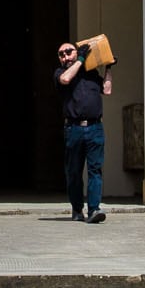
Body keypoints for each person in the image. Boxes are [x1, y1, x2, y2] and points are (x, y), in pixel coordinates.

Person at [54, 39, 111, 224]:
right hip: (74, 129)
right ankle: (77, 209)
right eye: (61, 54)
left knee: (95, 170)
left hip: (95, 128)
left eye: (68, 52)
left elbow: (107, 90)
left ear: (75, 52)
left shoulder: (91, 74)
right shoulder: (60, 73)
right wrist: (80, 58)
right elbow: (66, 79)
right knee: (74, 172)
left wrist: (108, 68)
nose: (65, 56)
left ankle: (94, 210)